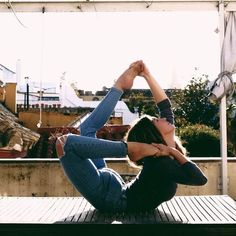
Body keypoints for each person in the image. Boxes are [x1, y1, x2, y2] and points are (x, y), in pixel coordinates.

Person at [55, 60, 207, 212]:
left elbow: (165, 105)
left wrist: (147, 75)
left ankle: (119, 87)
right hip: (111, 195)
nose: (163, 117)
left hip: (111, 192)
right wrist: (169, 152)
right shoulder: (161, 162)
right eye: (156, 119)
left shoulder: (164, 155)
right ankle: (129, 145)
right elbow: (200, 179)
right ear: (153, 135)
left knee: (85, 130)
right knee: (65, 144)